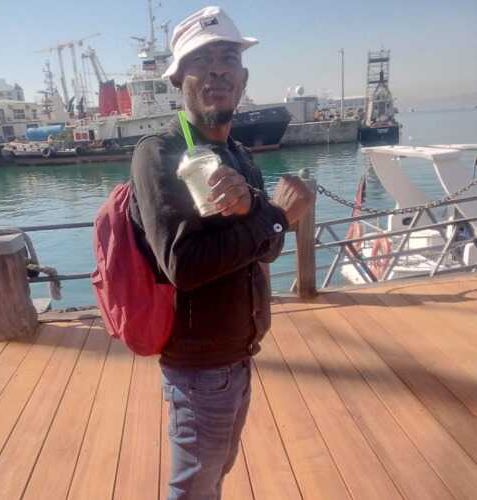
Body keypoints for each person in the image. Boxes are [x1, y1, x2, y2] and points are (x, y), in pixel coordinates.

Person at [129, 6, 312, 499]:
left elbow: (266, 250)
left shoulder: (241, 156)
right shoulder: (158, 154)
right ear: (178, 78)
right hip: (198, 368)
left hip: (239, 356)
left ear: (243, 78)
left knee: (213, 475)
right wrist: (277, 216)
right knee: (194, 487)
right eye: (201, 61)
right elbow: (183, 266)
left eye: (228, 58)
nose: (217, 71)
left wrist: (269, 219)